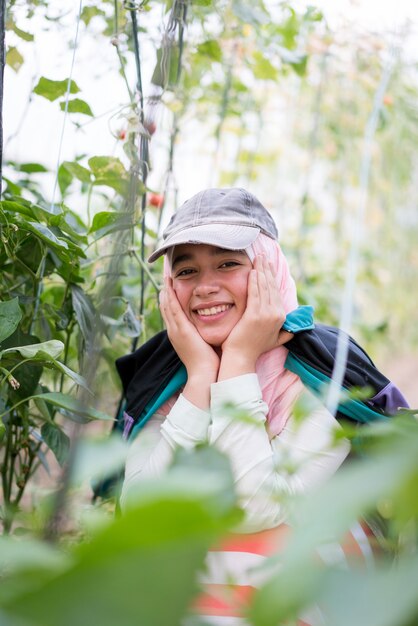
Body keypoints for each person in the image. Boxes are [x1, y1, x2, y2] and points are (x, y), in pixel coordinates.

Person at [120, 188, 356, 625]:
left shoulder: (322, 379)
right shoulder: (161, 379)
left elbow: (254, 508)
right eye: (186, 270)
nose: (206, 286)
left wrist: (239, 362)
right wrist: (199, 379)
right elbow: (139, 508)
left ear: (269, 270)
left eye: (228, 263)